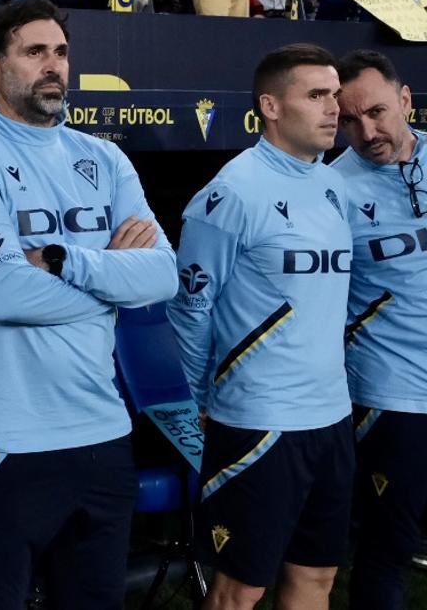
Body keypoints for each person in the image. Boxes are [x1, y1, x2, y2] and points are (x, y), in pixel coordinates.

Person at [0, 0, 177, 609]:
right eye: (34, 51)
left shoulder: (105, 158)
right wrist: (111, 284)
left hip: (101, 432)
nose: (53, 66)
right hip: (1, 438)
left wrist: (66, 259)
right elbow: (5, 292)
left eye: (60, 52)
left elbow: (164, 276)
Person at [168, 43, 352, 610]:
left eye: (335, 95)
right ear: (270, 106)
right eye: (316, 95)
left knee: (316, 580)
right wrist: (202, 393)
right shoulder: (232, 193)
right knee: (237, 591)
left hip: (333, 415)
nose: (333, 109)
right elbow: (189, 307)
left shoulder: (331, 183)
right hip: (260, 423)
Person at [332, 49, 427, 610]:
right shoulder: (331, 190)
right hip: (389, 397)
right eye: (349, 120)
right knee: (387, 550)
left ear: (407, 100)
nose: (366, 131)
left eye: (377, 112)